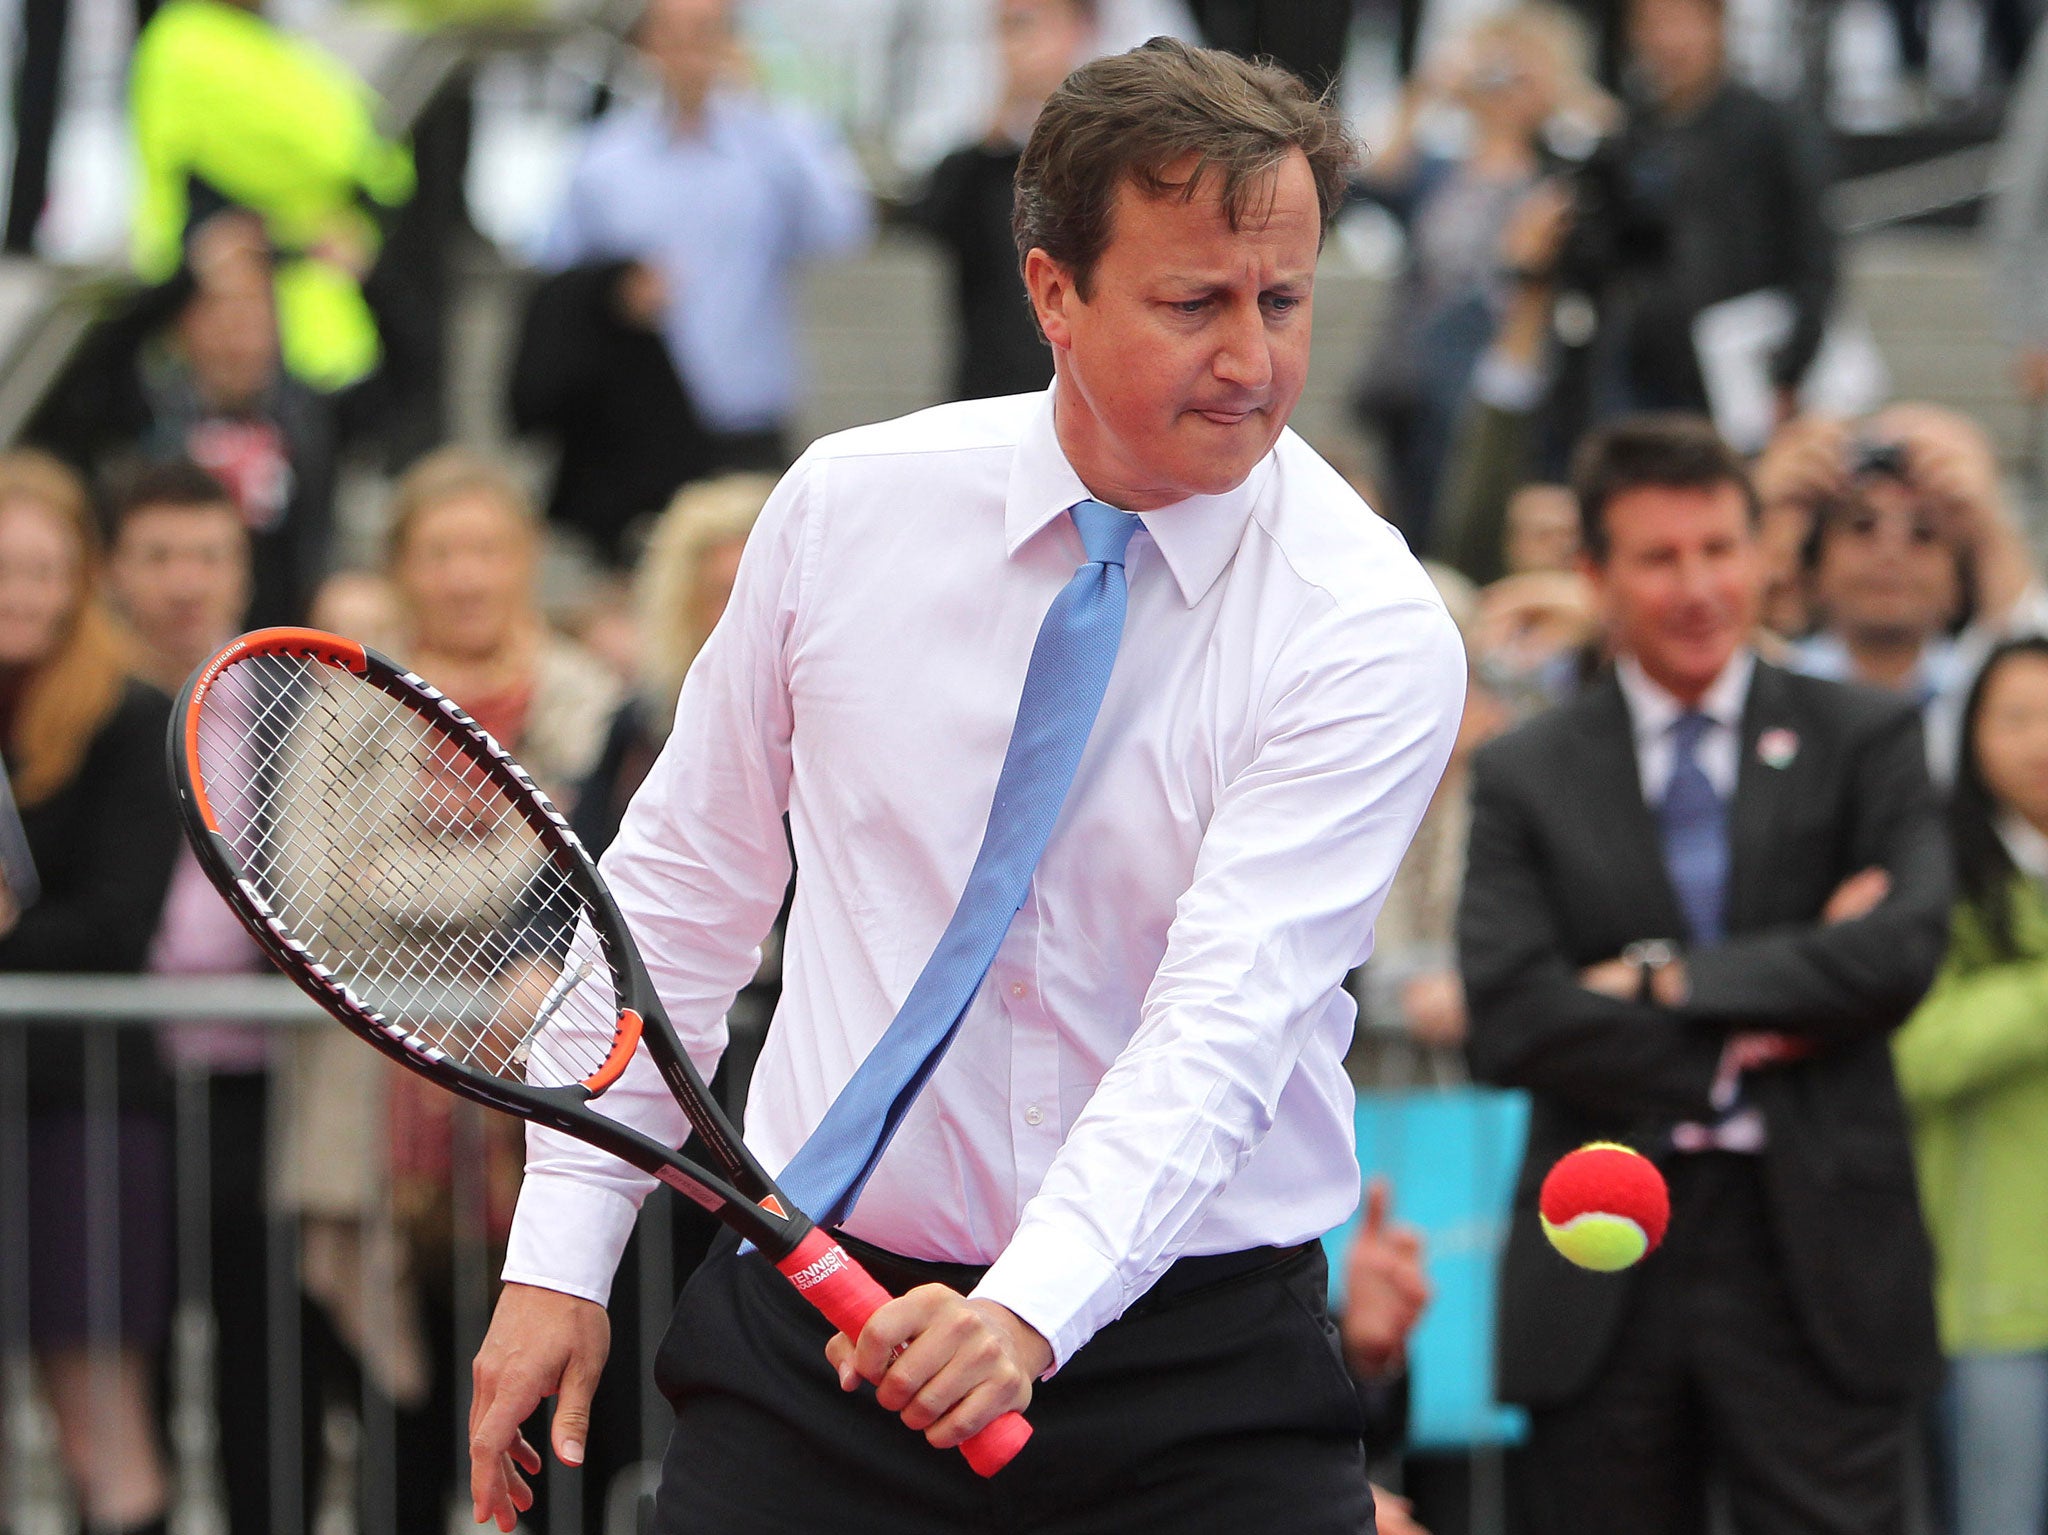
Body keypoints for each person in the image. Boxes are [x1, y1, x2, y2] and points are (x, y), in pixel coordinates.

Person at [470, 36, 1466, 1535]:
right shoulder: (846, 507)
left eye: (1283, 299)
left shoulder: (1367, 619)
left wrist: (1024, 1313)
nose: (1254, 359)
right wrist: (558, 1248)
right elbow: (680, 884)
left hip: (1191, 1374)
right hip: (821, 1332)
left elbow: (1226, 1022)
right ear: (1051, 291)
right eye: (1193, 302)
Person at [1459, 414, 1949, 1535]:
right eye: (1657, 557)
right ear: (1591, 574)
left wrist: (1656, 982)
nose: (1697, 587)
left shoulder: (1861, 736)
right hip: (1601, 1252)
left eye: (1718, 549)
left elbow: (1894, 954)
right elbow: (1510, 1015)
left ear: (1760, 553)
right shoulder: (1526, 771)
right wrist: (1776, 1000)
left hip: (1816, 1253)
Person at [272, 450, 618, 1534]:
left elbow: (603, 885)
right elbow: (317, 896)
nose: (465, 576)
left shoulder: (590, 698)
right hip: (378, 1109)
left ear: (523, 561)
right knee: (397, 1414)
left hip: (546, 1112)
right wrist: (522, 853)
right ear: (403, 568)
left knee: (558, 1414)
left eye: (486, 550)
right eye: (439, 553)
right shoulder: (345, 696)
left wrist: (412, 880)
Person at [513, 0, 873, 567]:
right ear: (648, 47)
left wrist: (763, 104)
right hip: (638, 430)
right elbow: (556, 277)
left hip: (744, 423)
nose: (690, 55)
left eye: (707, 36)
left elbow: (841, 228)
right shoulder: (604, 160)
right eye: (675, 38)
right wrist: (613, 290)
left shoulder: (770, 146)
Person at [102, 459, 285, 1535]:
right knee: (133, 1341)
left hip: (261, 1074)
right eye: (159, 555)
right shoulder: (80, 702)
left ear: (241, 566)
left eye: (207, 555)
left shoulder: (288, 702)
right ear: (116, 570)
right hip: (122, 1069)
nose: (184, 581)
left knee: (265, 1348)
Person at [0, 449, 180, 1535]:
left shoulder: (129, 716)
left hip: (89, 1107)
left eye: (40, 570)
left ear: (81, 580)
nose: (19, 595)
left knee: (99, 1420)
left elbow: (114, 928)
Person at [1892, 634, 2048, 1535]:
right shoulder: (1944, 880)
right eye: (2014, 717)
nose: (2037, 741)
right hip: (1994, 1295)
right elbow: (1918, 1052)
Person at [1352, 7, 1605, 540]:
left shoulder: (1564, 173)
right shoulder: (1440, 171)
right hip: (1417, 391)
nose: (1506, 82)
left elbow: (1621, 154)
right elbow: (1364, 183)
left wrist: (1565, 96)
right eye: (1498, 64)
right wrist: (1427, 89)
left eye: (1522, 67)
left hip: (1515, 384)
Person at [30, 214, 338, 627]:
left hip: (275, 644)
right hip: (139, 632)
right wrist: (189, 275)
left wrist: (359, 274)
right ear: (185, 326)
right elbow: (103, 352)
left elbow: (412, 377)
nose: (237, 334)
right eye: (220, 314)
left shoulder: (309, 414)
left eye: (252, 317)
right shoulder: (145, 406)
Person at [128, 0, 416, 399]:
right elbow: (336, 148)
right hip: (208, 292)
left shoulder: (266, 41)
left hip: (311, 322)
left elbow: (377, 153)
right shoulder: (186, 38)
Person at [1760, 403, 2048, 779]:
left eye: (1923, 534)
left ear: (1959, 586)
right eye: (1862, 526)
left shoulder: (1979, 692)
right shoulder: (1774, 683)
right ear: (1813, 574)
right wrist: (1768, 503)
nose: (1890, 553)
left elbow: (2028, 633)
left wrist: (1987, 517)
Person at [1609, 0, 1835, 418]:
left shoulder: (1769, 125)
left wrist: (1792, 369)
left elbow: (1813, 249)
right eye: (1653, 25)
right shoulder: (1631, 134)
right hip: (1651, 376)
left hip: (1748, 367)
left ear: (1718, 27)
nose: (1668, 41)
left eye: (1683, 23)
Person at [909, 0, 1098, 405]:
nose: (1014, 45)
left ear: (1077, 28)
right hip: (991, 386)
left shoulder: (1106, 154)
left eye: (1027, 25)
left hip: (1090, 386)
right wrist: (1004, 110)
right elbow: (932, 221)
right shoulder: (983, 158)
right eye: (1005, 29)